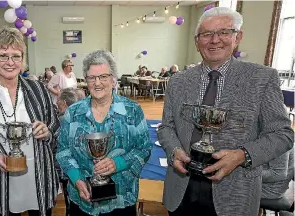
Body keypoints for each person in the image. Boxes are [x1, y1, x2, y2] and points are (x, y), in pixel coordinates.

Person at [157, 7, 294, 216]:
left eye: (224, 32)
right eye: (207, 34)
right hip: (182, 187)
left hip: (236, 192)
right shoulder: (178, 82)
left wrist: (242, 156)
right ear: (197, 41)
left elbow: (283, 134)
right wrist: (174, 150)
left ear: (237, 37)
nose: (215, 40)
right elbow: (167, 127)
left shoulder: (262, 79)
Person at [0, 26, 60, 216]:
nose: (10, 62)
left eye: (16, 56)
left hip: (38, 174)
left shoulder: (38, 89)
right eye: (3, 55)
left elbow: (55, 125)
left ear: (23, 59)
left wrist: (47, 131)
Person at [57, 50, 152, 216]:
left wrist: (119, 163)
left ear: (113, 79)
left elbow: (144, 149)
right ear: (85, 80)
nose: (97, 82)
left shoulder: (132, 110)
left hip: (121, 199)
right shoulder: (73, 113)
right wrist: (77, 179)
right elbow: (63, 151)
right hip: (82, 200)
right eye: (92, 77)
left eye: (103, 77)